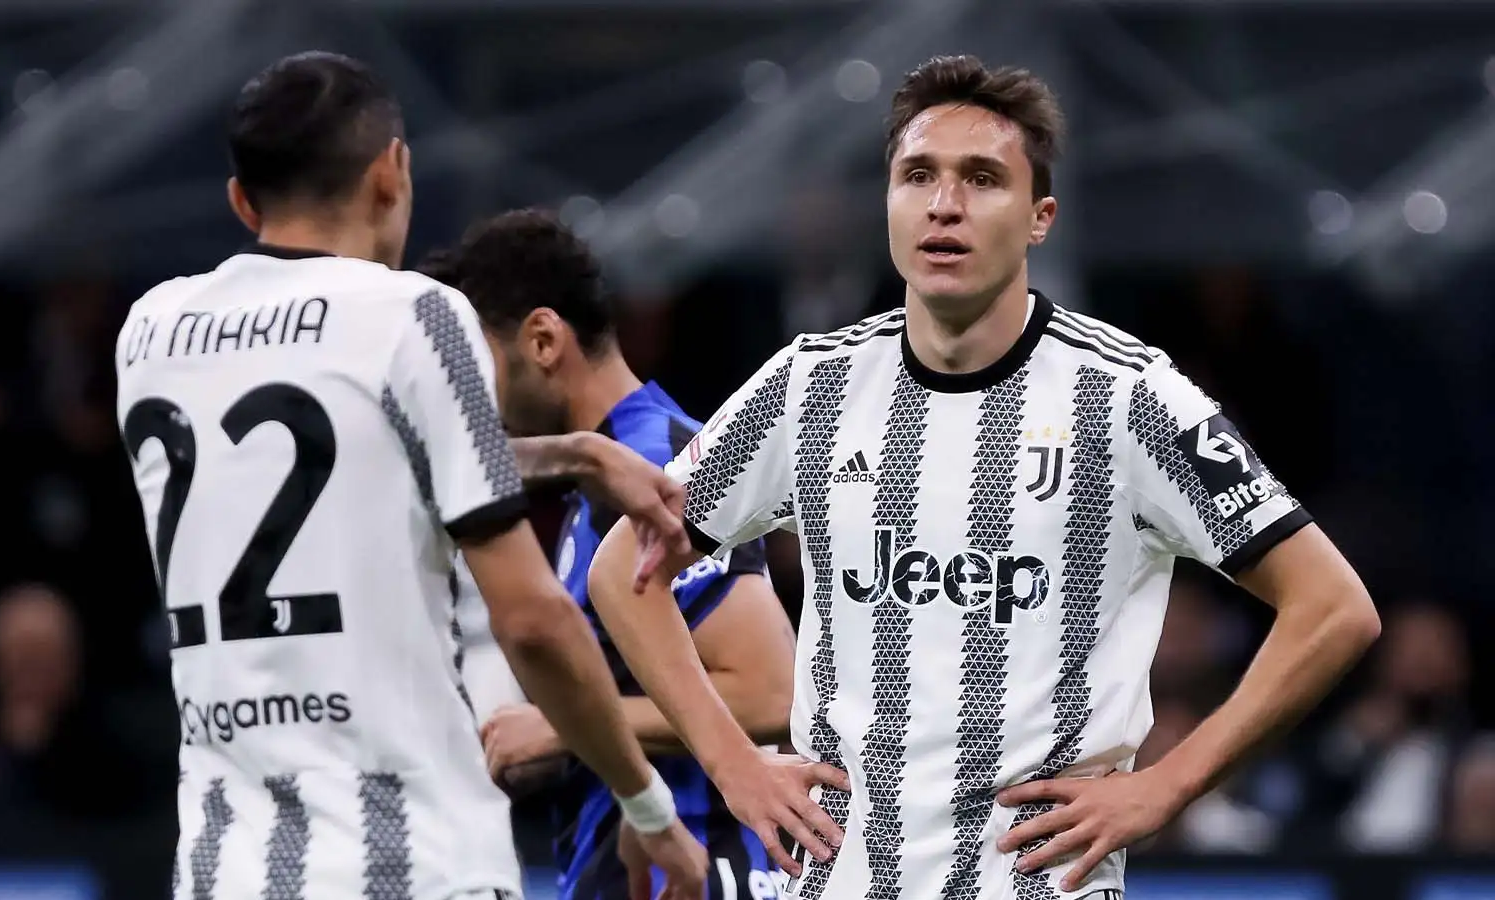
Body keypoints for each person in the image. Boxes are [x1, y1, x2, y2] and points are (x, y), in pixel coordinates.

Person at [588, 54, 1381, 900]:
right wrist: (733, 762)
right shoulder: (809, 384)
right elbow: (625, 574)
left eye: (982, 179)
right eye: (917, 175)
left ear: (1040, 217)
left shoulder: (1128, 397)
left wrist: (1168, 786)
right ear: (889, 205)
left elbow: (1334, 610)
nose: (944, 204)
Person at [114, 51, 712, 900]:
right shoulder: (417, 318)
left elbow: (349, 454)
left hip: (224, 868)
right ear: (392, 173)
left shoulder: (151, 333)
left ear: (242, 202)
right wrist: (648, 809)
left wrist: (572, 455)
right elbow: (534, 622)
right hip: (408, 866)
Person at [418, 211, 805, 900]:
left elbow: (769, 688)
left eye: (474, 364)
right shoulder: (595, 479)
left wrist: (566, 729)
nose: (464, 397)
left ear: (542, 340)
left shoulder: (654, 462)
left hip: (697, 864)